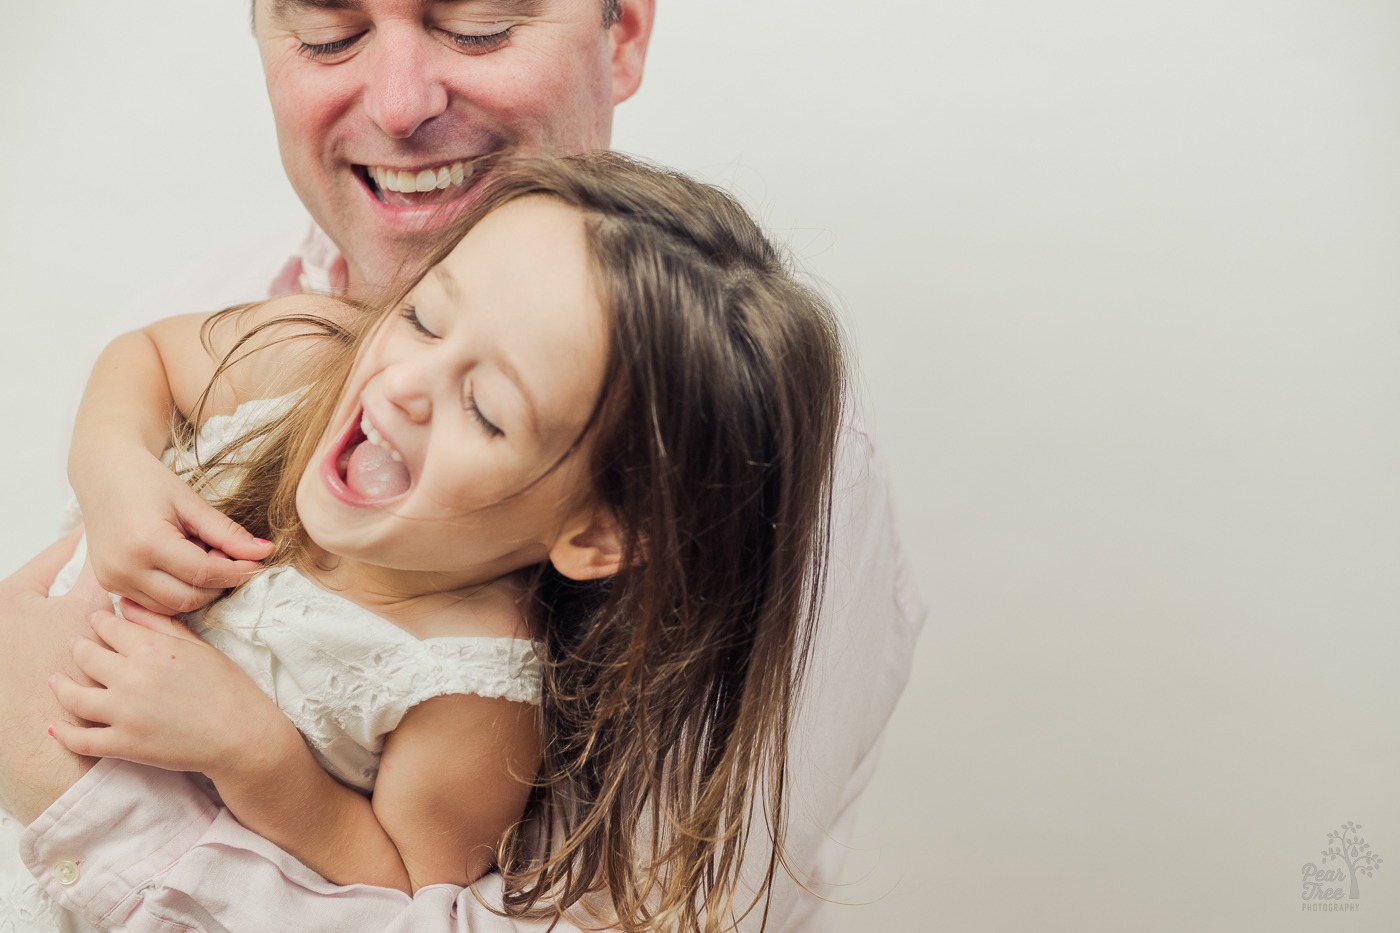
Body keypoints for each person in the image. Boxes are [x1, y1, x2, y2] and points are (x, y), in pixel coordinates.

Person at [0, 1, 924, 930]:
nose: (399, 105)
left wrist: (97, 779)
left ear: (625, 33)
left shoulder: (483, 672)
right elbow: (145, 360)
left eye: (480, 24)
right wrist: (109, 462)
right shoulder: (299, 332)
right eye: (328, 31)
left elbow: (416, 884)